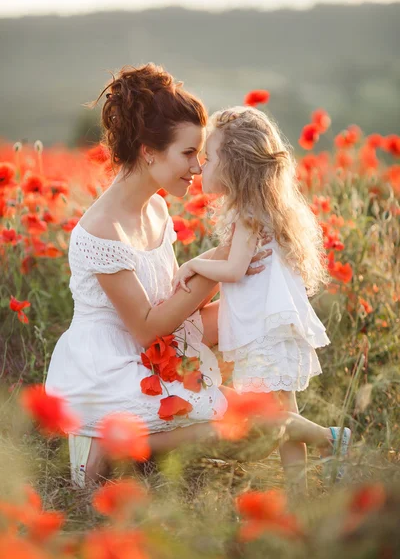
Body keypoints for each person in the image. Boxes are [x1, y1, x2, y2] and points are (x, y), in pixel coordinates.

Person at [45, 64, 349, 489]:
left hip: (158, 349)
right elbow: (149, 326)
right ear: (149, 150)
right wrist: (219, 264)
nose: (196, 166)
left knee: (262, 335)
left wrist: (258, 294)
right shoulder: (102, 230)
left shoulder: (155, 208)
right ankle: (114, 439)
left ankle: (144, 442)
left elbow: (174, 302)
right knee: (252, 432)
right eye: (188, 153)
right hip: (110, 365)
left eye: (201, 154)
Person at [172, 106, 351, 491]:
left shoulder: (249, 213)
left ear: (236, 165)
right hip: (270, 325)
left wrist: (192, 267)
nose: (202, 166)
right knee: (283, 411)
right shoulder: (258, 208)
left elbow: (234, 269)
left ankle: (330, 438)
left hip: (262, 330)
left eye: (211, 156)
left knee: (266, 414)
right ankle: (298, 493)